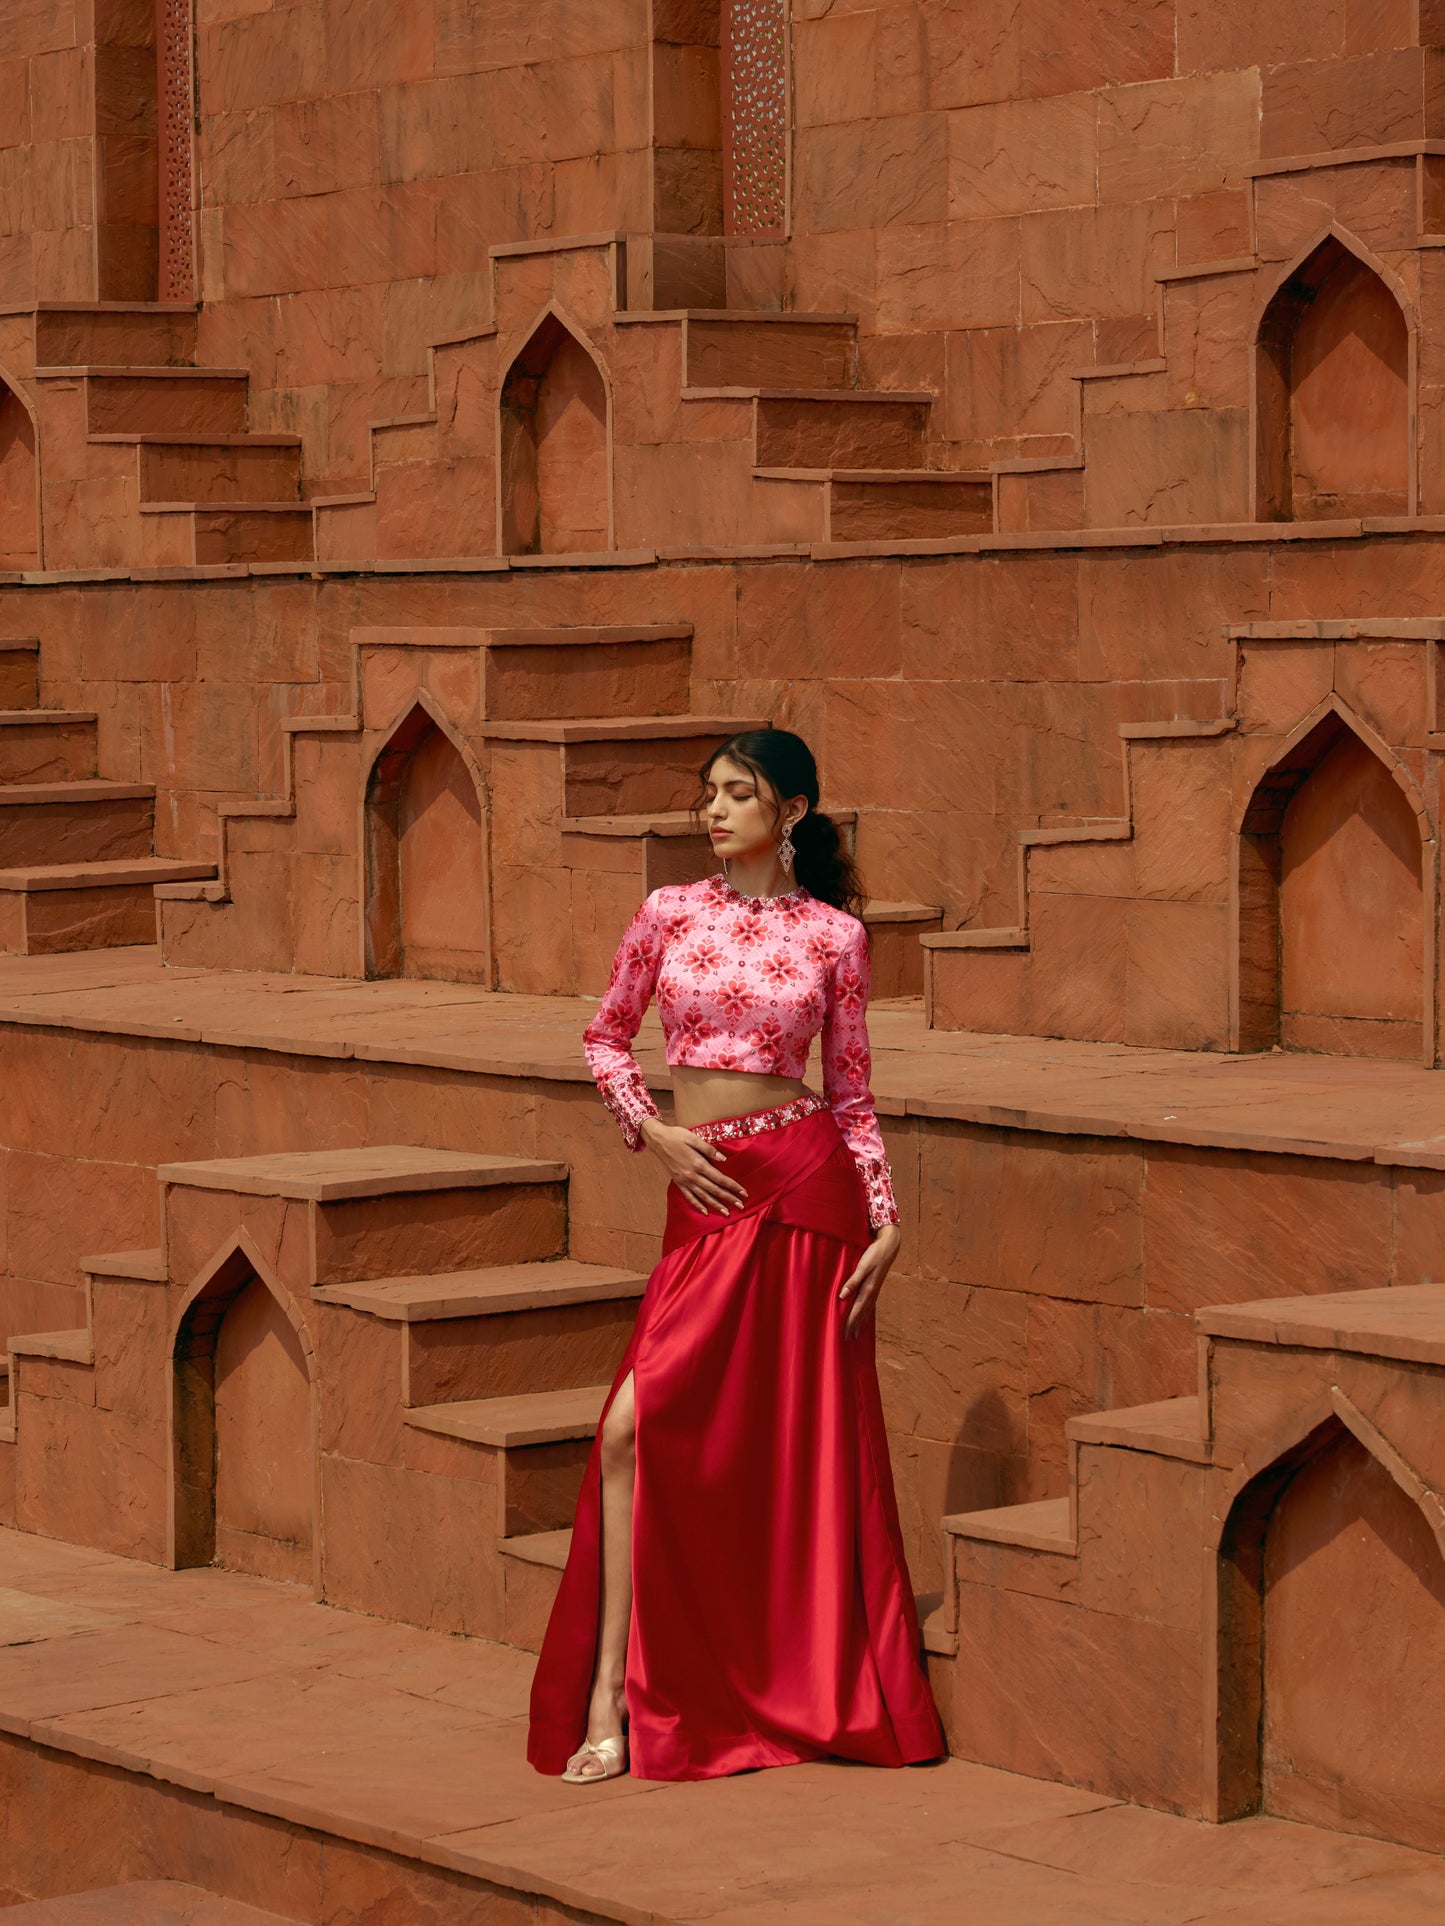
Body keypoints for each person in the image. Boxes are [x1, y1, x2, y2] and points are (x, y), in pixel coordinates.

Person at [526, 727, 946, 1783]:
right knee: (631, 1429)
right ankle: (609, 1700)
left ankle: (742, 1679)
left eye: (736, 792)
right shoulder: (669, 912)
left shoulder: (833, 937)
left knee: (784, 1447)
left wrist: (886, 1216)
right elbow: (603, 1036)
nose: (713, 810)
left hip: (806, 1191)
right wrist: (652, 1132)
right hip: (703, 1191)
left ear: (789, 811)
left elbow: (849, 1091)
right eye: (706, 792)